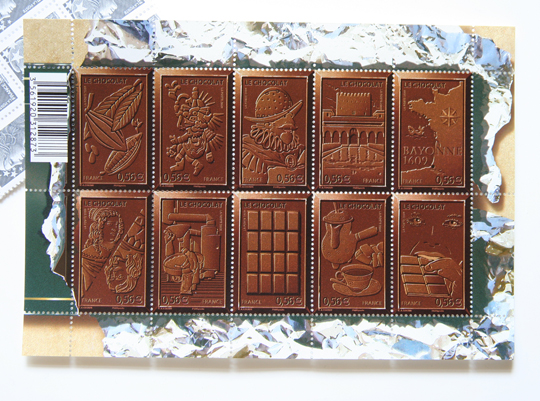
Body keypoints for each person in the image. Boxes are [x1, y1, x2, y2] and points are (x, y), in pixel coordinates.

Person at [80, 208, 123, 297]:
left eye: (117, 225)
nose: (114, 229)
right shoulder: (86, 256)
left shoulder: (122, 251)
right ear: (100, 226)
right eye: (110, 225)